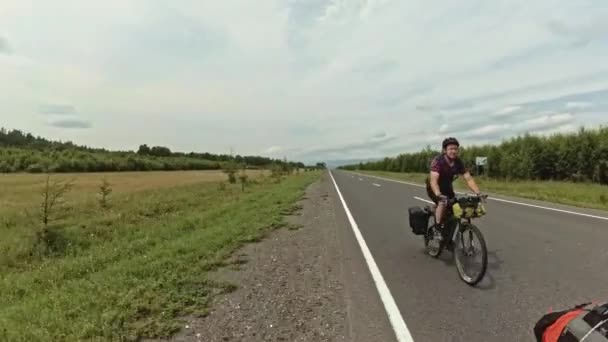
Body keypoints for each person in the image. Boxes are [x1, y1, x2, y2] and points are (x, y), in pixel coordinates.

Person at [425, 137, 482, 238]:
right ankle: (437, 229)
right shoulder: (438, 161)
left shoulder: (458, 162)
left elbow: (468, 178)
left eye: (455, 149)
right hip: (434, 189)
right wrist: (438, 194)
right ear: (444, 150)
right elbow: (433, 181)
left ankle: (447, 232)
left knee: (456, 207)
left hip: (447, 188)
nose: (454, 151)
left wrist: (478, 193)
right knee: (442, 203)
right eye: (451, 148)